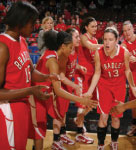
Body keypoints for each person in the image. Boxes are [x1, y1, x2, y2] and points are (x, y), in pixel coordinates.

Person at [0, 2, 59, 150]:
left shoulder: (22, 41)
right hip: (8, 110)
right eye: (32, 23)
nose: (34, 27)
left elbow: (30, 71)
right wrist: (31, 91)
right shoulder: (2, 47)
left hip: (22, 107)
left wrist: (47, 77)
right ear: (21, 22)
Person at [29, 30, 97, 150]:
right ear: (63, 46)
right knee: (39, 131)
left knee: (51, 120)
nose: (71, 50)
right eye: (70, 47)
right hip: (36, 96)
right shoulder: (53, 61)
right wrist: (81, 99)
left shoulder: (53, 54)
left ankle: (58, 138)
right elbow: (59, 90)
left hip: (43, 93)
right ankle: (53, 141)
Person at [84, 27, 136, 150]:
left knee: (115, 116)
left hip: (119, 87)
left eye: (110, 39)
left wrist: (133, 87)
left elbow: (127, 70)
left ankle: (114, 142)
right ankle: (100, 144)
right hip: (104, 87)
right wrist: (89, 91)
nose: (107, 42)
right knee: (103, 116)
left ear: (116, 41)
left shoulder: (124, 52)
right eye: (105, 39)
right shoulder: (99, 53)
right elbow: (97, 73)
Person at [74, 17, 102, 144]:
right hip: (82, 75)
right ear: (86, 27)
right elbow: (90, 46)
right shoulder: (83, 37)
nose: (95, 28)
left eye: (96, 26)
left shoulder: (95, 39)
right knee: (83, 103)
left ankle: (78, 119)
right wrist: (106, 45)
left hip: (92, 76)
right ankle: (80, 132)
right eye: (92, 26)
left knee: (93, 102)